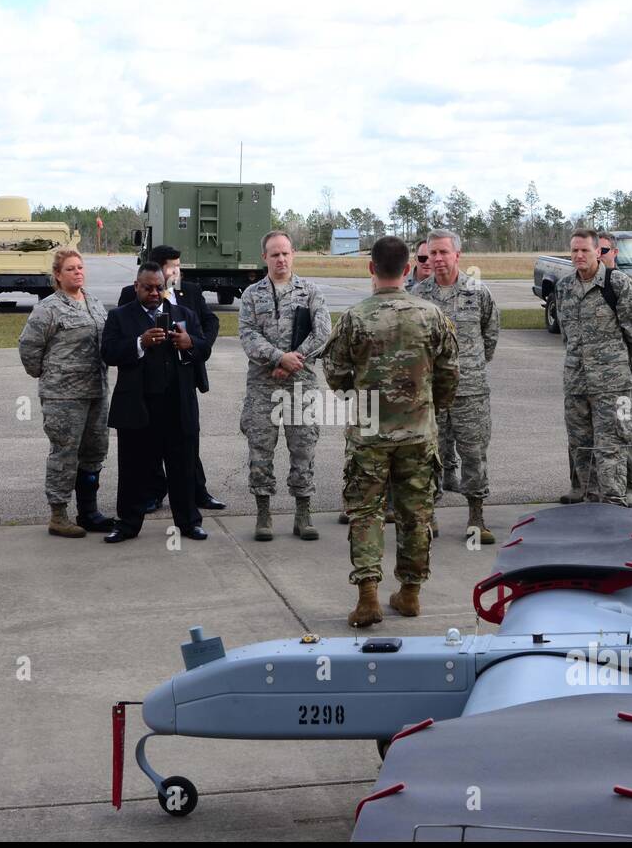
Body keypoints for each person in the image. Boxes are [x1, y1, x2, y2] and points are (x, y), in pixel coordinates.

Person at [324, 236, 459, 627]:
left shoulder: (355, 317)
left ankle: (368, 596)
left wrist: (362, 395)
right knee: (416, 513)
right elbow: (451, 371)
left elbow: (334, 371)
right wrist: (430, 407)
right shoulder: (431, 315)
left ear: (371, 269)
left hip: (370, 435)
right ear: (408, 270)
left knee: (365, 512)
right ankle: (410, 593)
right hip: (418, 432)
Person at [100, 263, 212, 543]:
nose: (153, 293)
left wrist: (189, 343)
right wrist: (140, 342)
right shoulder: (119, 317)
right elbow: (109, 352)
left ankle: (189, 522)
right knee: (133, 469)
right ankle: (127, 523)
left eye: (158, 288)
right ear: (136, 286)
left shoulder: (183, 314)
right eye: (147, 287)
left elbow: (204, 349)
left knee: (183, 467)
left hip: (177, 405)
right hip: (138, 406)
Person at [237, 230, 332, 541]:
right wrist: (279, 358)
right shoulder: (252, 294)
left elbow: (322, 334)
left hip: (301, 386)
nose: (280, 259)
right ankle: (263, 514)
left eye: (285, 253)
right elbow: (248, 336)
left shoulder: (311, 292)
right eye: (274, 254)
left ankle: (303, 514)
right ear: (264, 257)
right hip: (263, 387)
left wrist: (294, 360)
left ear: (293, 254)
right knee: (260, 450)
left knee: (303, 449)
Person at [118, 245, 224, 512]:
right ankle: (155, 492)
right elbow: (123, 333)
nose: (177, 270)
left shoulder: (190, 292)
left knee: (188, 440)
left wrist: (195, 345)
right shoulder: (132, 295)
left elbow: (210, 322)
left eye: (179, 265)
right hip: (148, 383)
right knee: (152, 444)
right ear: (157, 269)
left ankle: (197, 491)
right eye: (172, 266)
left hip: (184, 378)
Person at [17, 248, 113, 537]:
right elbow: (29, 347)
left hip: (96, 390)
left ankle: (89, 511)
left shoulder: (94, 304)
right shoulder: (48, 308)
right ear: (57, 275)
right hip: (63, 397)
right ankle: (58, 514)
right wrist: (47, 375)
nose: (78, 272)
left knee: (94, 452)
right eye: (70, 269)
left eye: (80, 267)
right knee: (65, 453)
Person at [412, 229, 500, 541]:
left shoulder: (477, 291)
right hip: (431, 393)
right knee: (429, 453)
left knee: (474, 453)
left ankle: (476, 517)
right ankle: (429, 515)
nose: (436, 259)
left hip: (471, 391)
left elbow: (490, 332)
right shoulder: (419, 297)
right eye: (432, 253)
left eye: (443, 253)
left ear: (457, 255)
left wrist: (472, 366)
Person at [555, 230, 632, 506]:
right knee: (579, 440)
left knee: (612, 442)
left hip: (614, 383)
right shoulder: (564, 288)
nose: (578, 256)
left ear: (598, 252)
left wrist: (622, 363)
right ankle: (583, 491)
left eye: (584, 250)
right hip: (576, 380)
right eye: (574, 251)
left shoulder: (618, 284)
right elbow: (566, 333)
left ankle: (613, 499)